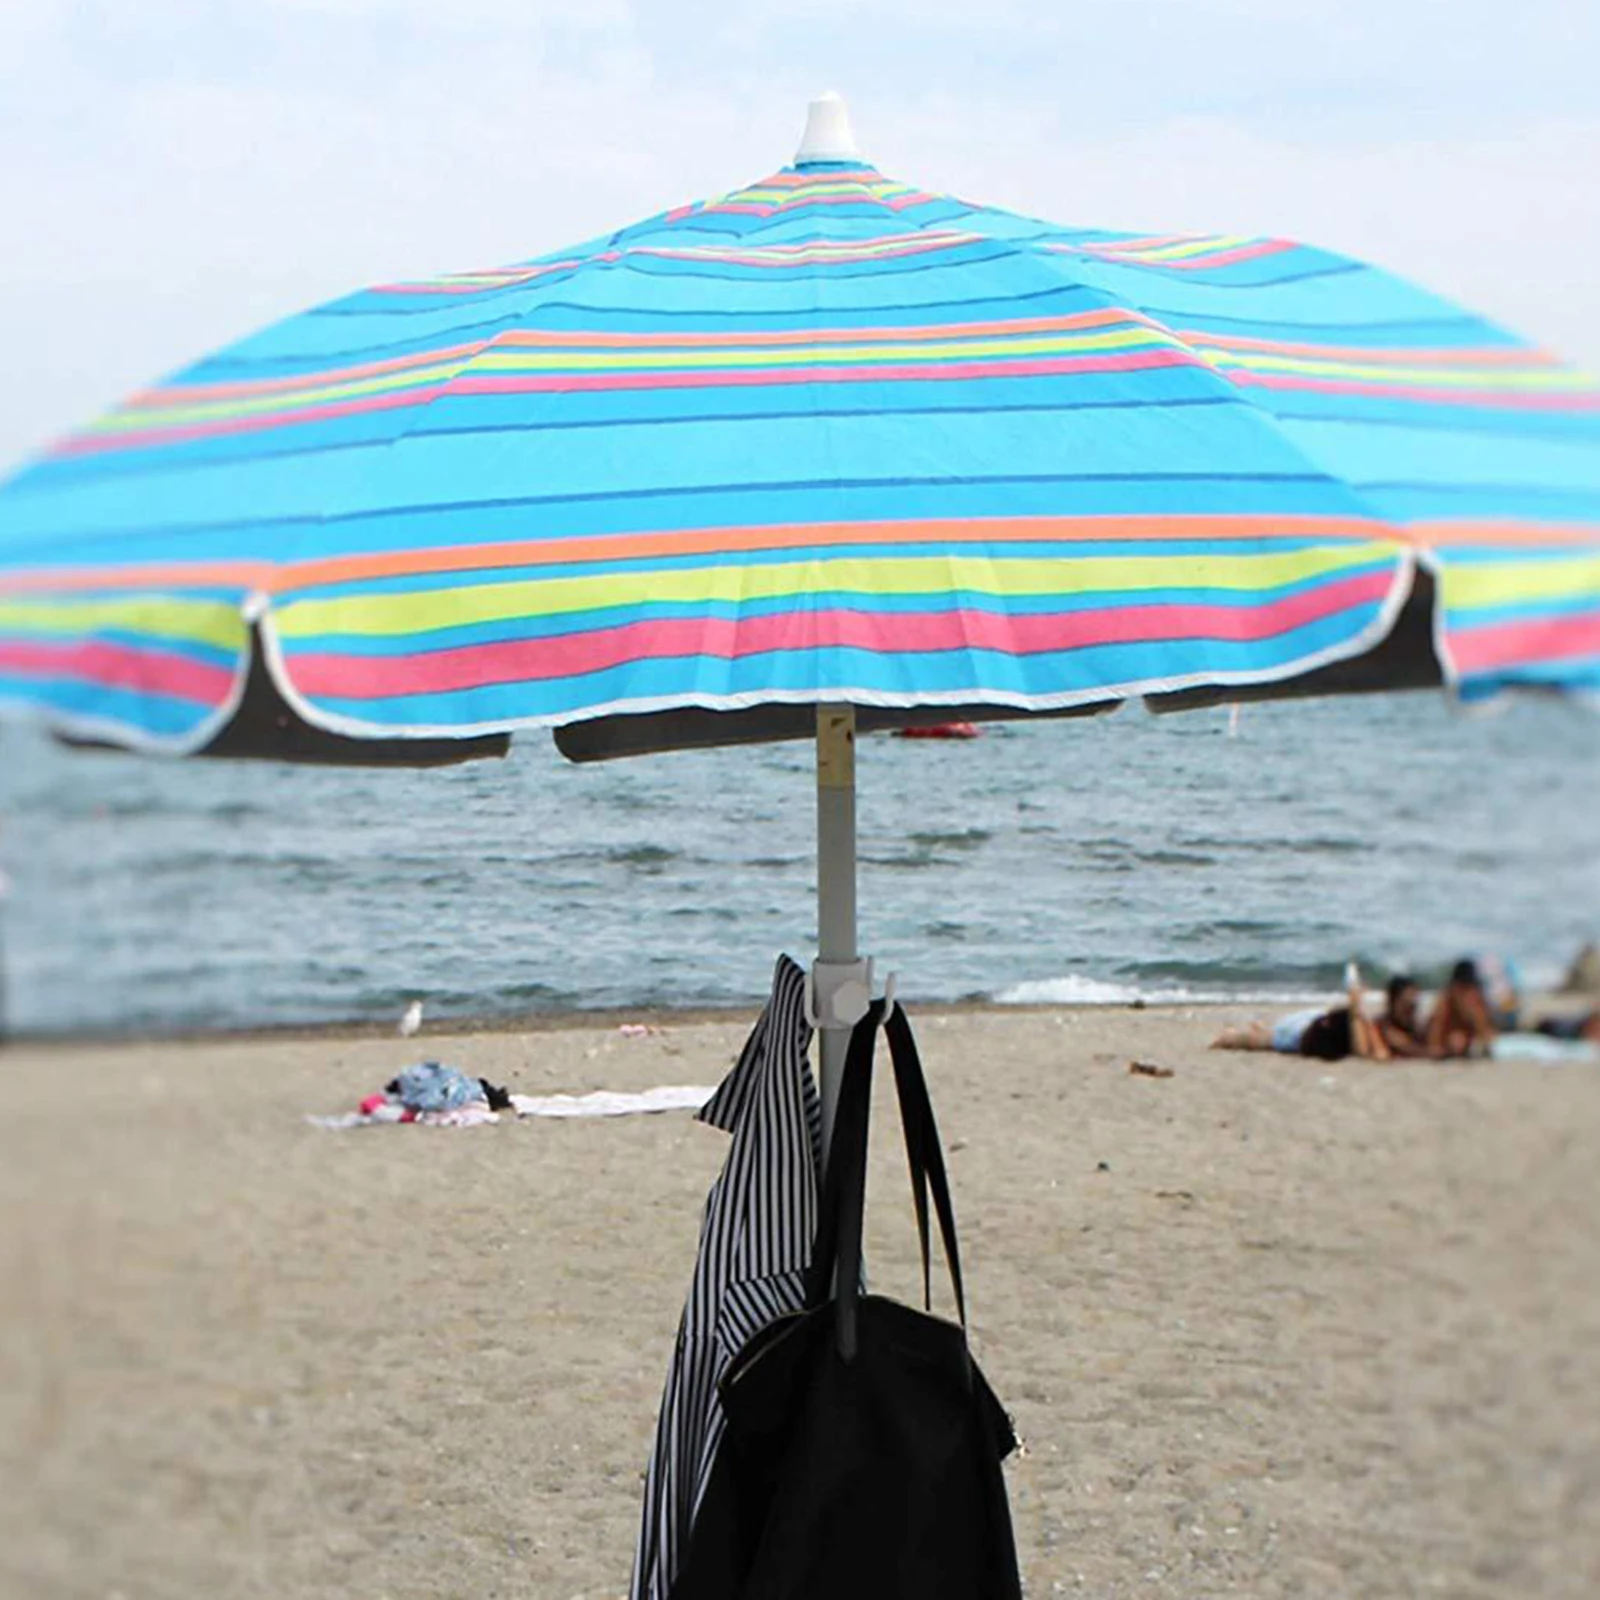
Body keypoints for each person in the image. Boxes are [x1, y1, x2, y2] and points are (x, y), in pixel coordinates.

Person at [1212, 966, 1391, 1062]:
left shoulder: (1362, 1024)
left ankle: (1256, 1028)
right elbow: (1369, 1052)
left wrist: (1355, 1006)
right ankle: (1230, 1035)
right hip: (1305, 1028)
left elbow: (1372, 1052)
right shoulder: (1358, 1024)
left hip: (1313, 1022)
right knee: (1264, 1039)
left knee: (1271, 1034)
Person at [1426, 959, 1498, 1059]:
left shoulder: (1476, 996)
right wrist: (1436, 1046)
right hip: (1451, 1040)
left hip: (1470, 1040)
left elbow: (1487, 1028)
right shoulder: (1447, 998)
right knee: (1457, 1040)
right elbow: (1437, 1025)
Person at [1376, 975, 1429, 1058]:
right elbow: (1409, 1048)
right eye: (1406, 1004)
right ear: (1393, 1001)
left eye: (1413, 1005)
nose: (1410, 1010)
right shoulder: (1383, 1026)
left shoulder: (1415, 1027)